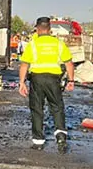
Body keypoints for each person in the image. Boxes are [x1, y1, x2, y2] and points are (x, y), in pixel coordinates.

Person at [18, 16, 74, 153]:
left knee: (37, 109)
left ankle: (38, 142)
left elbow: (24, 65)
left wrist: (21, 83)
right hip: (53, 80)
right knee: (57, 107)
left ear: (37, 29)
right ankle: (61, 137)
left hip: (37, 79)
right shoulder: (58, 43)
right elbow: (68, 63)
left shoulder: (33, 44)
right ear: (49, 29)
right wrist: (71, 81)